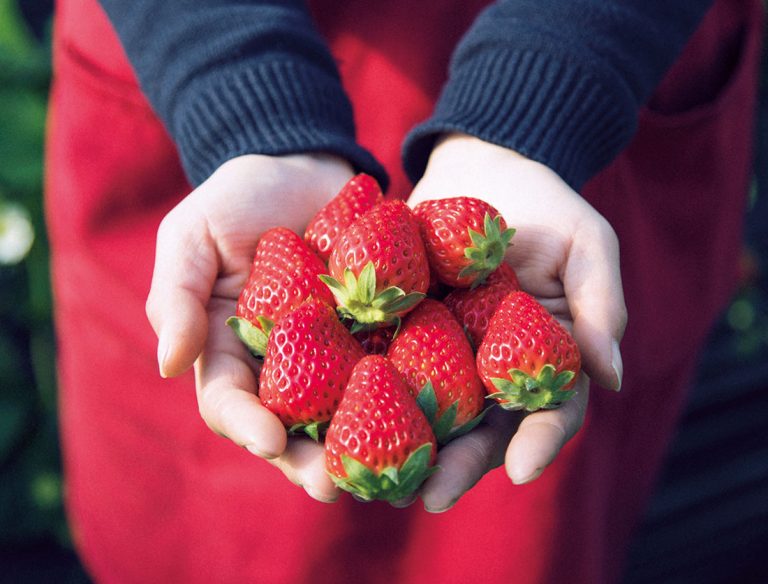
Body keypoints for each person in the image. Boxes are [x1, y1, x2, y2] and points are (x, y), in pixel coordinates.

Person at [46, 0, 763, 582]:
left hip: (589, 57)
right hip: (199, 53)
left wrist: (540, 94)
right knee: (203, 536)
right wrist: (244, 103)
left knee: (522, 540)